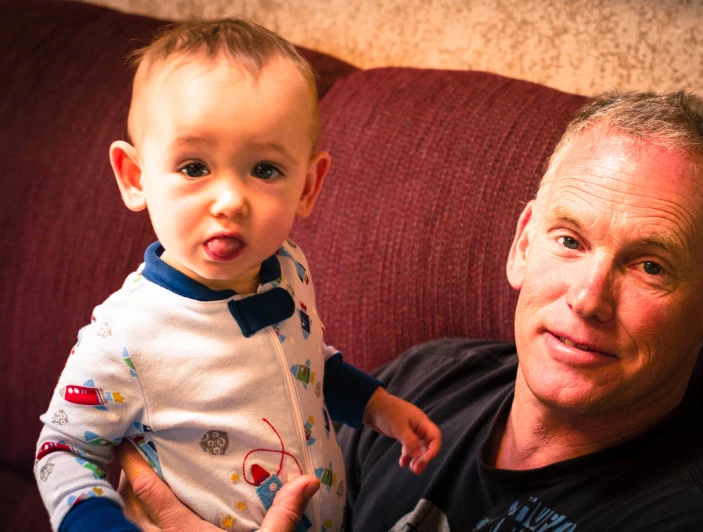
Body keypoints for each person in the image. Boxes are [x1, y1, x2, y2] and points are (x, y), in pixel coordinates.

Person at [106, 89, 703, 531]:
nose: (588, 299)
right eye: (569, 241)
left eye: (650, 265)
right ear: (521, 245)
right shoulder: (427, 380)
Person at [33, 18, 440, 532]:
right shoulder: (125, 335)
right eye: (194, 167)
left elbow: (303, 364)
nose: (229, 201)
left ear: (308, 187)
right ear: (136, 178)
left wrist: (374, 404)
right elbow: (62, 450)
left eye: (265, 170)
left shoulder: (289, 265)